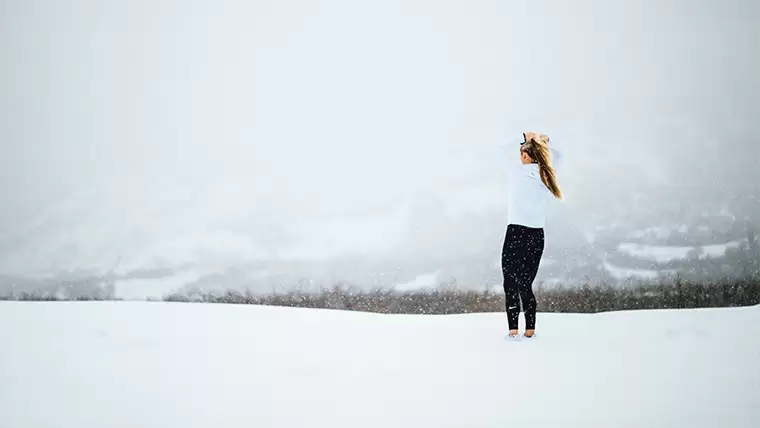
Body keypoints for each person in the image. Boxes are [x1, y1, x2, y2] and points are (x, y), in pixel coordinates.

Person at [502, 132, 563, 339]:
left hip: (516, 232)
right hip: (536, 235)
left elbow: (498, 149)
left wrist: (521, 135)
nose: (520, 157)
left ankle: (513, 331)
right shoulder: (545, 174)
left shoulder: (516, 171)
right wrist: (547, 141)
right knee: (525, 284)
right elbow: (561, 156)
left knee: (510, 282)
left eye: (521, 153)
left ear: (526, 156)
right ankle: (530, 331)